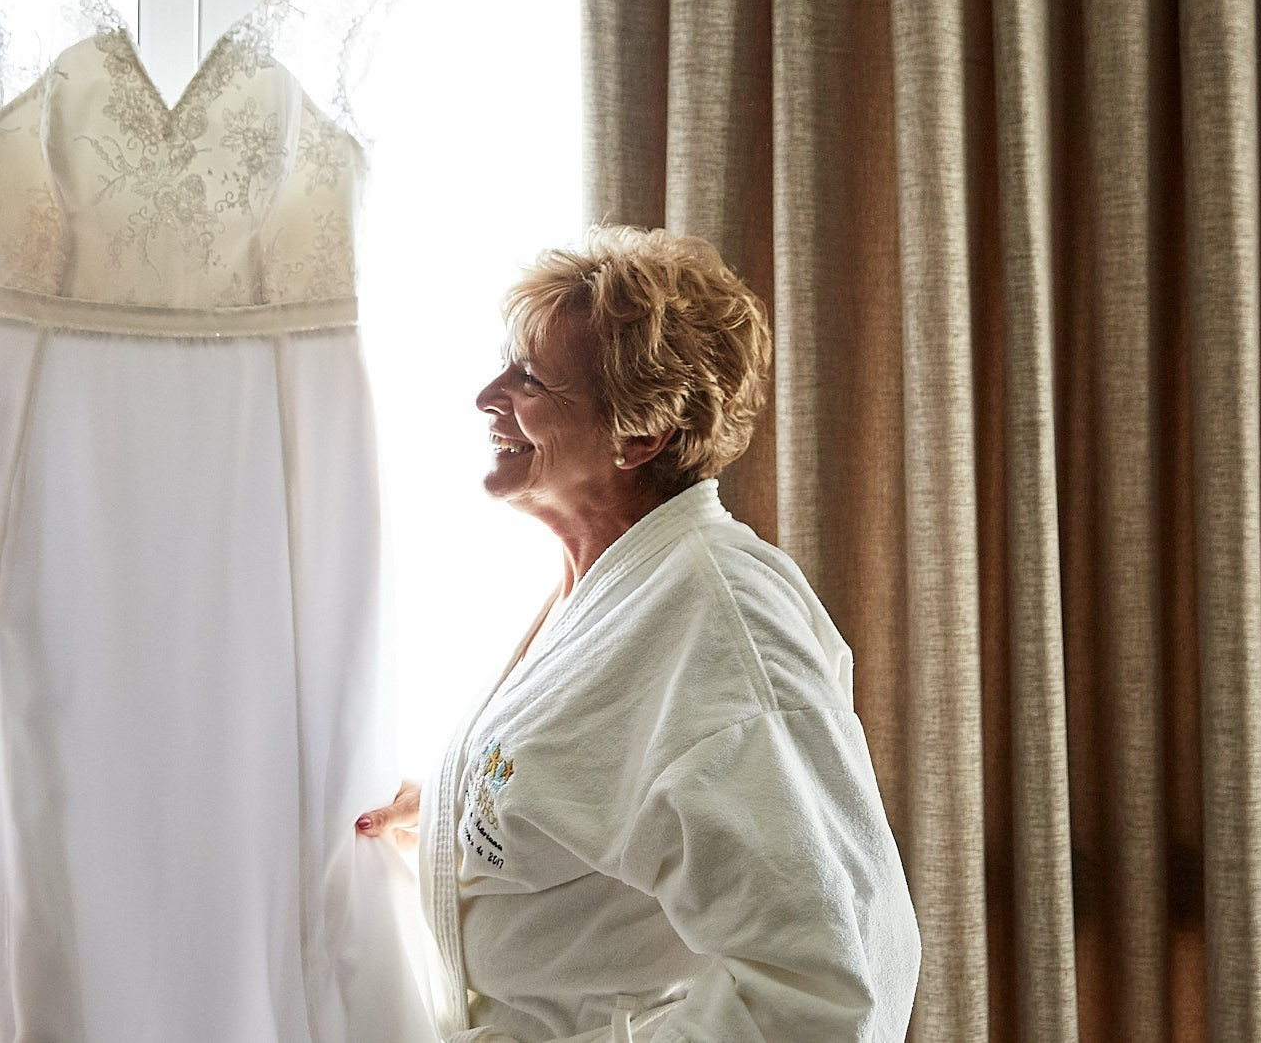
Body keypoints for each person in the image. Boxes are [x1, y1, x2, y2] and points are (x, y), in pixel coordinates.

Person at [357, 226, 920, 1042]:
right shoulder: (604, 589)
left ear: (640, 433)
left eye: (530, 379)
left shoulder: (721, 621)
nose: (488, 395)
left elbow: (838, 982)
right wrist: (457, 816)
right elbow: (600, 798)